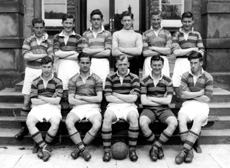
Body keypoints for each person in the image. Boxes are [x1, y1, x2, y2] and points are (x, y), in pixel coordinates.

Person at [15, 18, 53, 140]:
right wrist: (43, 56)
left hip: (44, 72)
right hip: (31, 71)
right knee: (27, 100)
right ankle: (23, 128)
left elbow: (50, 58)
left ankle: (39, 129)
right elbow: (26, 56)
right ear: (33, 28)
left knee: (42, 99)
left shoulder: (48, 42)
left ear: (44, 28)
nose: (39, 30)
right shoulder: (28, 40)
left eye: (41, 27)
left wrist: (36, 57)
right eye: (36, 27)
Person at [175, 51, 213, 164]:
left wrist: (190, 94)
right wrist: (199, 93)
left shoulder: (208, 77)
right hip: (187, 105)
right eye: (191, 63)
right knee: (181, 118)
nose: (192, 65)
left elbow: (208, 98)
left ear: (201, 62)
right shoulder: (185, 75)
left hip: (202, 106)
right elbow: (182, 95)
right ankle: (189, 150)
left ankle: (184, 151)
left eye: (195, 63)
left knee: (198, 120)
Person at [102, 55, 140, 162]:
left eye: (124, 64)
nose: (122, 67)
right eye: (120, 64)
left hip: (129, 106)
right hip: (114, 106)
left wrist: (116, 94)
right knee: (107, 117)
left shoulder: (134, 77)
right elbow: (108, 97)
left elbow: (134, 97)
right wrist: (127, 97)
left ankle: (132, 150)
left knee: (133, 117)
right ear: (116, 65)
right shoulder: (110, 77)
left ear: (128, 64)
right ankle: (107, 150)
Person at [65, 52, 103, 162]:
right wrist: (88, 99)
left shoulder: (97, 79)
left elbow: (99, 99)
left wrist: (80, 98)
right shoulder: (73, 79)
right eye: (82, 63)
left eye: (87, 63)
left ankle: (78, 149)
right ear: (78, 63)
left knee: (97, 124)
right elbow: (71, 100)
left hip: (93, 108)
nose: (85, 65)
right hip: (78, 108)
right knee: (68, 122)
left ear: (91, 63)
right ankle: (83, 149)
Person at [139, 55, 178, 162]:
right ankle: (158, 147)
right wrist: (161, 100)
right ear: (150, 65)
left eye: (159, 65)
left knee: (173, 122)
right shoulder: (144, 80)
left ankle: (155, 147)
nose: (157, 67)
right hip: (149, 109)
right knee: (142, 123)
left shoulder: (168, 80)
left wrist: (150, 98)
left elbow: (168, 101)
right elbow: (143, 101)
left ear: (163, 65)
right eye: (154, 65)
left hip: (164, 109)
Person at [26, 56, 63, 162]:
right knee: (29, 121)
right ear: (40, 67)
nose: (47, 69)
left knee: (55, 123)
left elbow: (57, 101)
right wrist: (50, 98)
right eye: (44, 67)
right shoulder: (35, 81)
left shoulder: (58, 81)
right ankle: (45, 147)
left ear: (52, 67)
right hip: (38, 107)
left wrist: (41, 97)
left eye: (49, 67)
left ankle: (43, 147)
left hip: (53, 108)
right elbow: (33, 101)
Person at [53, 13, 87, 111]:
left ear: (73, 24)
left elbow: (79, 55)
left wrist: (64, 54)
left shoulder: (78, 37)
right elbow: (56, 53)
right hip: (61, 65)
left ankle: (74, 110)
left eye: (70, 23)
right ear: (62, 23)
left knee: (73, 88)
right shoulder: (57, 37)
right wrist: (72, 52)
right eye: (66, 23)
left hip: (74, 66)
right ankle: (63, 112)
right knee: (62, 89)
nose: (68, 25)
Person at [172, 11, 205, 103]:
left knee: (192, 88)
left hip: (192, 63)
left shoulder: (197, 34)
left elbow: (201, 52)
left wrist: (183, 51)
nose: (187, 24)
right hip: (179, 63)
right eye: (185, 21)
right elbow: (176, 52)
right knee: (177, 87)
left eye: (189, 21)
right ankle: (181, 110)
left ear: (193, 21)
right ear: (181, 21)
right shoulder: (176, 34)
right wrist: (193, 49)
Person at [83, 9, 112, 86]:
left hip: (103, 63)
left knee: (103, 86)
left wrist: (91, 51)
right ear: (90, 21)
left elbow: (108, 52)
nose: (96, 21)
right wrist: (101, 49)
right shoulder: (86, 34)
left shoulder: (107, 34)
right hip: (90, 63)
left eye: (98, 19)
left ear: (102, 20)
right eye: (94, 19)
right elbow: (85, 51)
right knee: (90, 86)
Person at [142, 8, 172, 78]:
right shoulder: (146, 34)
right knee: (148, 83)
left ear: (161, 19)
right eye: (154, 19)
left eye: (158, 19)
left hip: (163, 61)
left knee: (164, 83)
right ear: (150, 20)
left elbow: (168, 51)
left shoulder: (167, 33)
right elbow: (145, 53)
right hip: (149, 61)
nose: (156, 21)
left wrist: (152, 48)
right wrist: (162, 51)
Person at [112, 11, 143, 76]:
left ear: (132, 21)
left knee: (134, 84)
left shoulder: (137, 35)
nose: (127, 22)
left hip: (133, 63)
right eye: (125, 20)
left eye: (129, 20)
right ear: (121, 21)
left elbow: (138, 51)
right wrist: (132, 51)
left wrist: (122, 49)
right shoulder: (116, 34)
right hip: (119, 62)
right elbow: (114, 52)